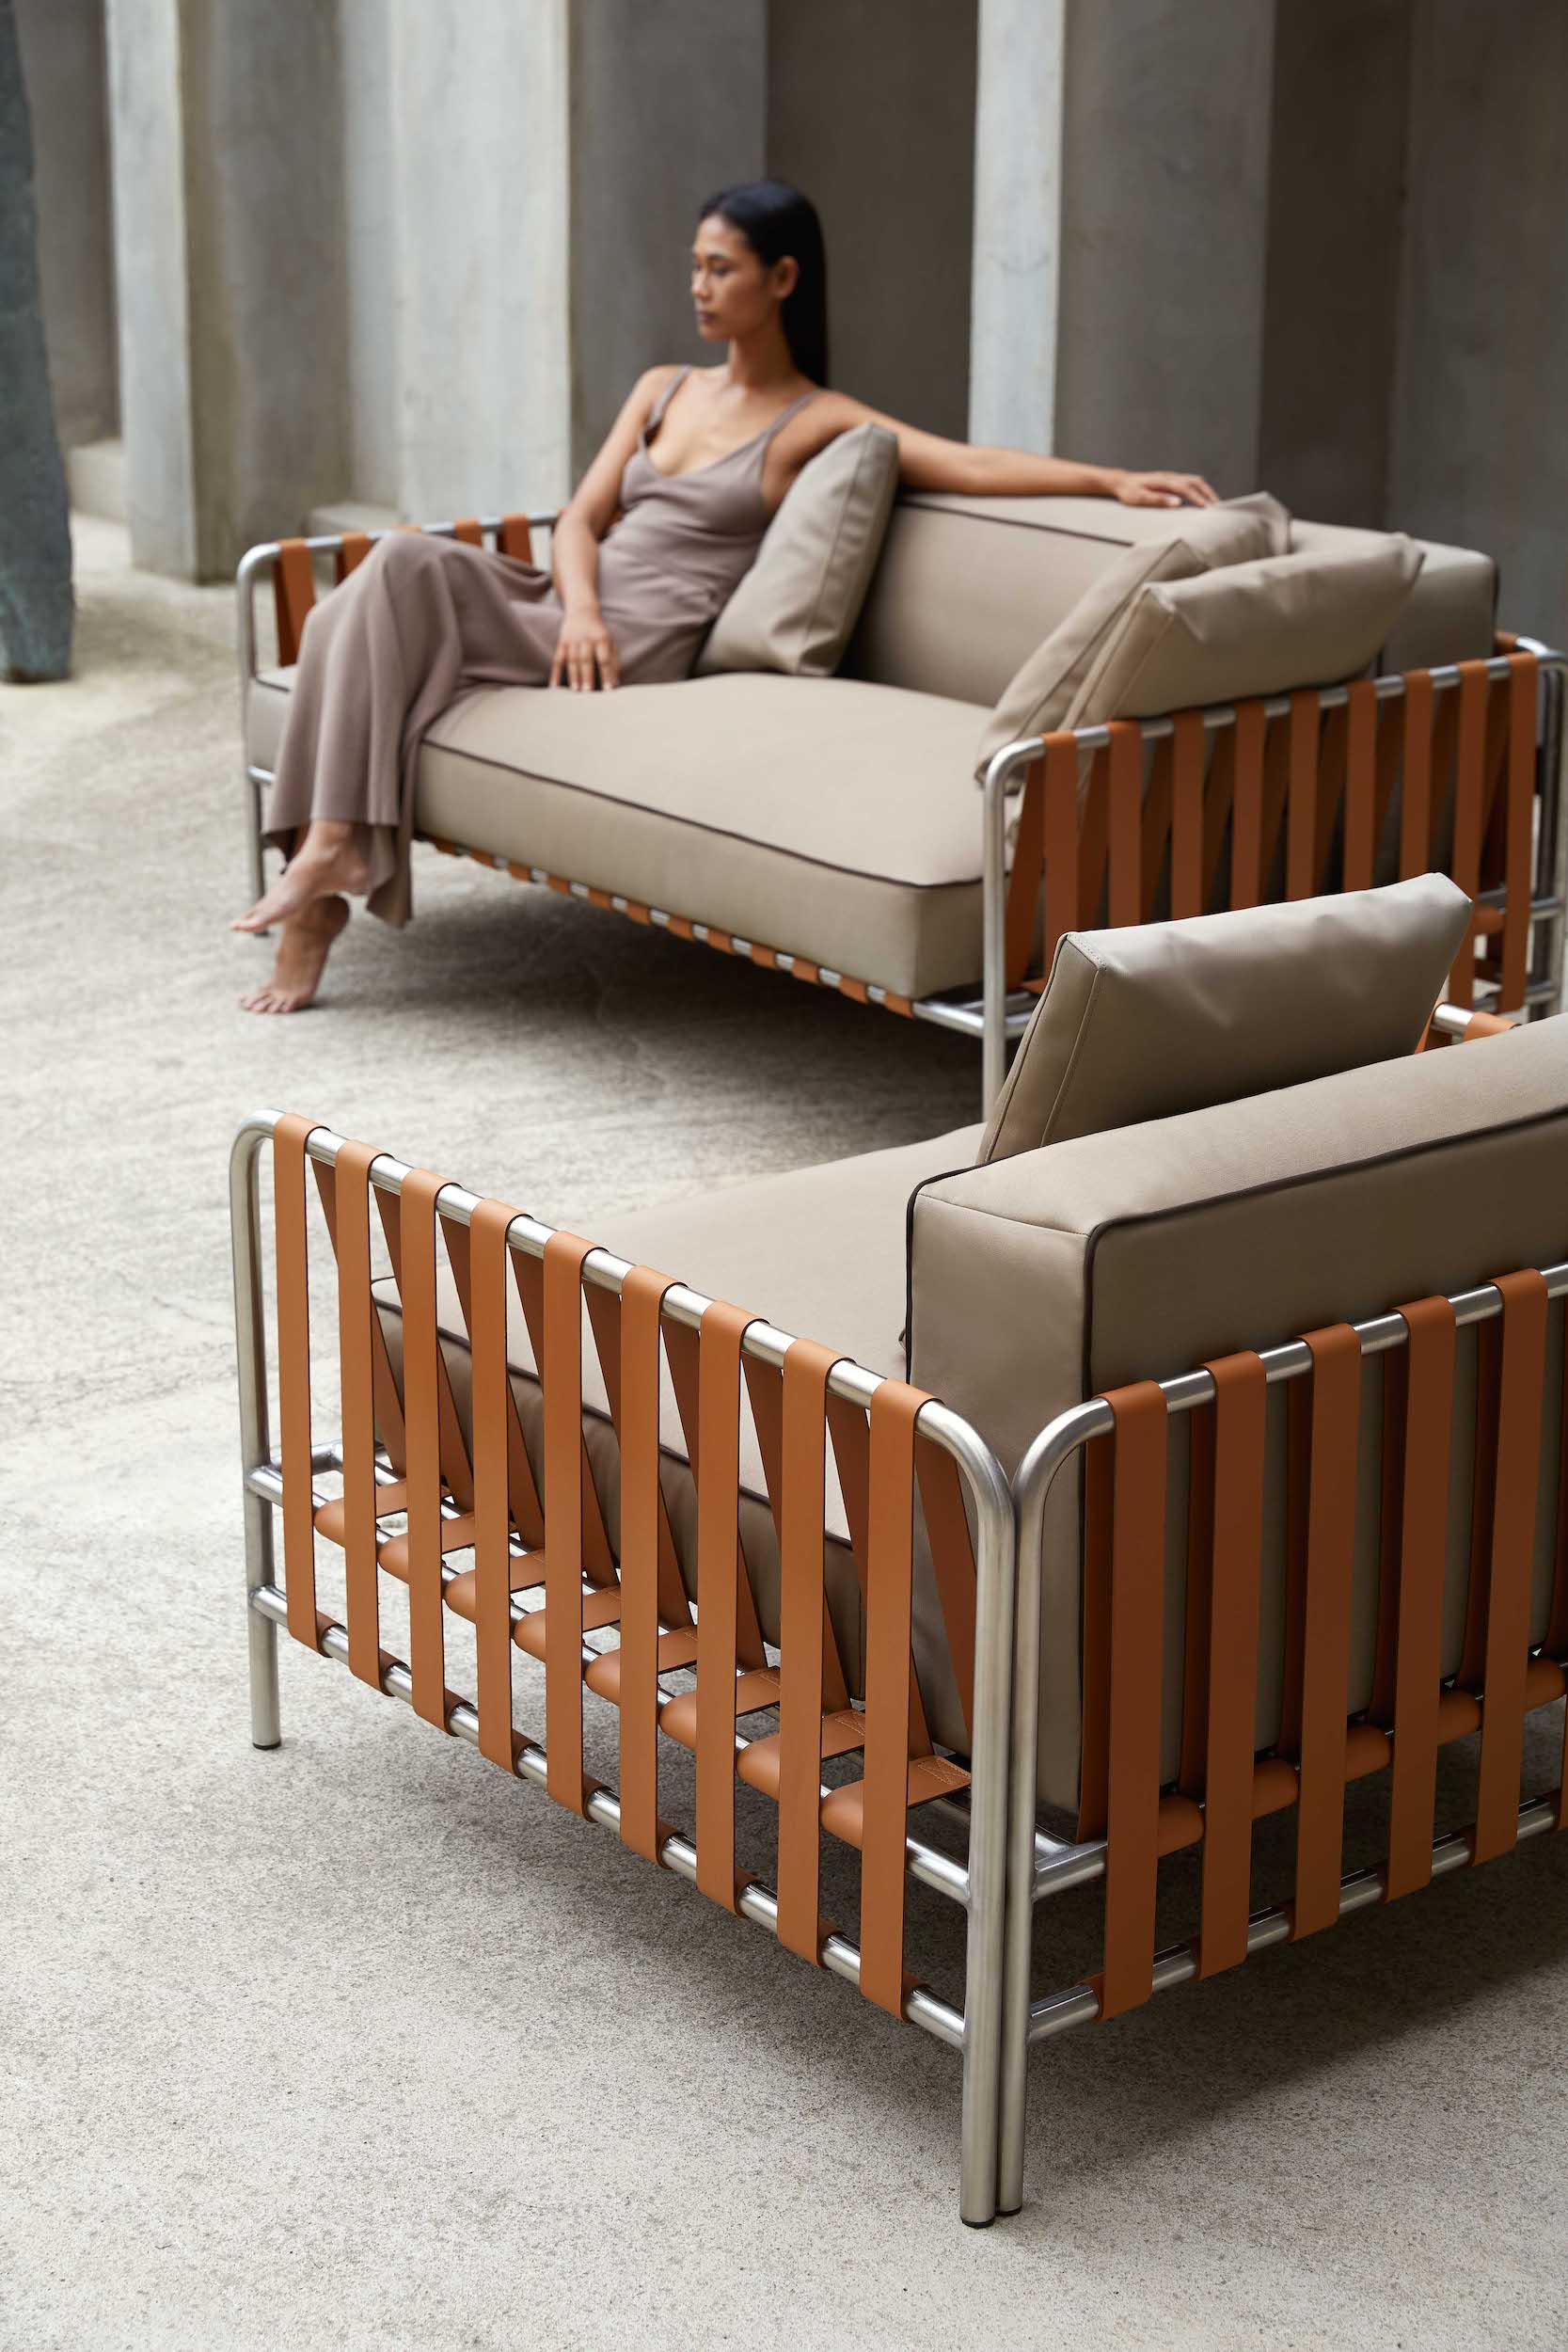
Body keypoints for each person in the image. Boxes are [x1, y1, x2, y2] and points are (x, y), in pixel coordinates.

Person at [235, 180, 1216, 1012]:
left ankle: (323, 870)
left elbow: (965, 463)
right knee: (378, 584)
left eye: (721, 269)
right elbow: (577, 521)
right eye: (695, 267)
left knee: (372, 602)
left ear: (782, 280)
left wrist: (1109, 480)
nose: (698, 288)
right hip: (576, 609)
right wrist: (577, 608)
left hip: (644, 638)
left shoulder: (812, 418)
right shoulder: (663, 387)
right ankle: (330, 862)